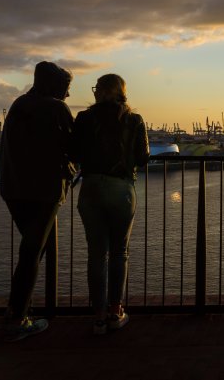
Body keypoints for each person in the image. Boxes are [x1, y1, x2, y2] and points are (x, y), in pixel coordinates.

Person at [0, 61, 75, 342]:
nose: (67, 95)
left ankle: (18, 310)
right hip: (44, 192)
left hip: (13, 188)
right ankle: (17, 318)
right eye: (65, 88)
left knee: (31, 249)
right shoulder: (57, 108)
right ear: (56, 86)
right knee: (32, 252)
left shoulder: (19, 104)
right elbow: (75, 146)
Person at [71, 74, 149, 335]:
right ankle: (116, 311)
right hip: (121, 189)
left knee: (96, 254)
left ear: (101, 91)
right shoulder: (134, 120)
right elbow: (143, 157)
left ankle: (99, 317)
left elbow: (74, 153)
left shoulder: (83, 118)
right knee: (119, 252)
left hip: (91, 187)